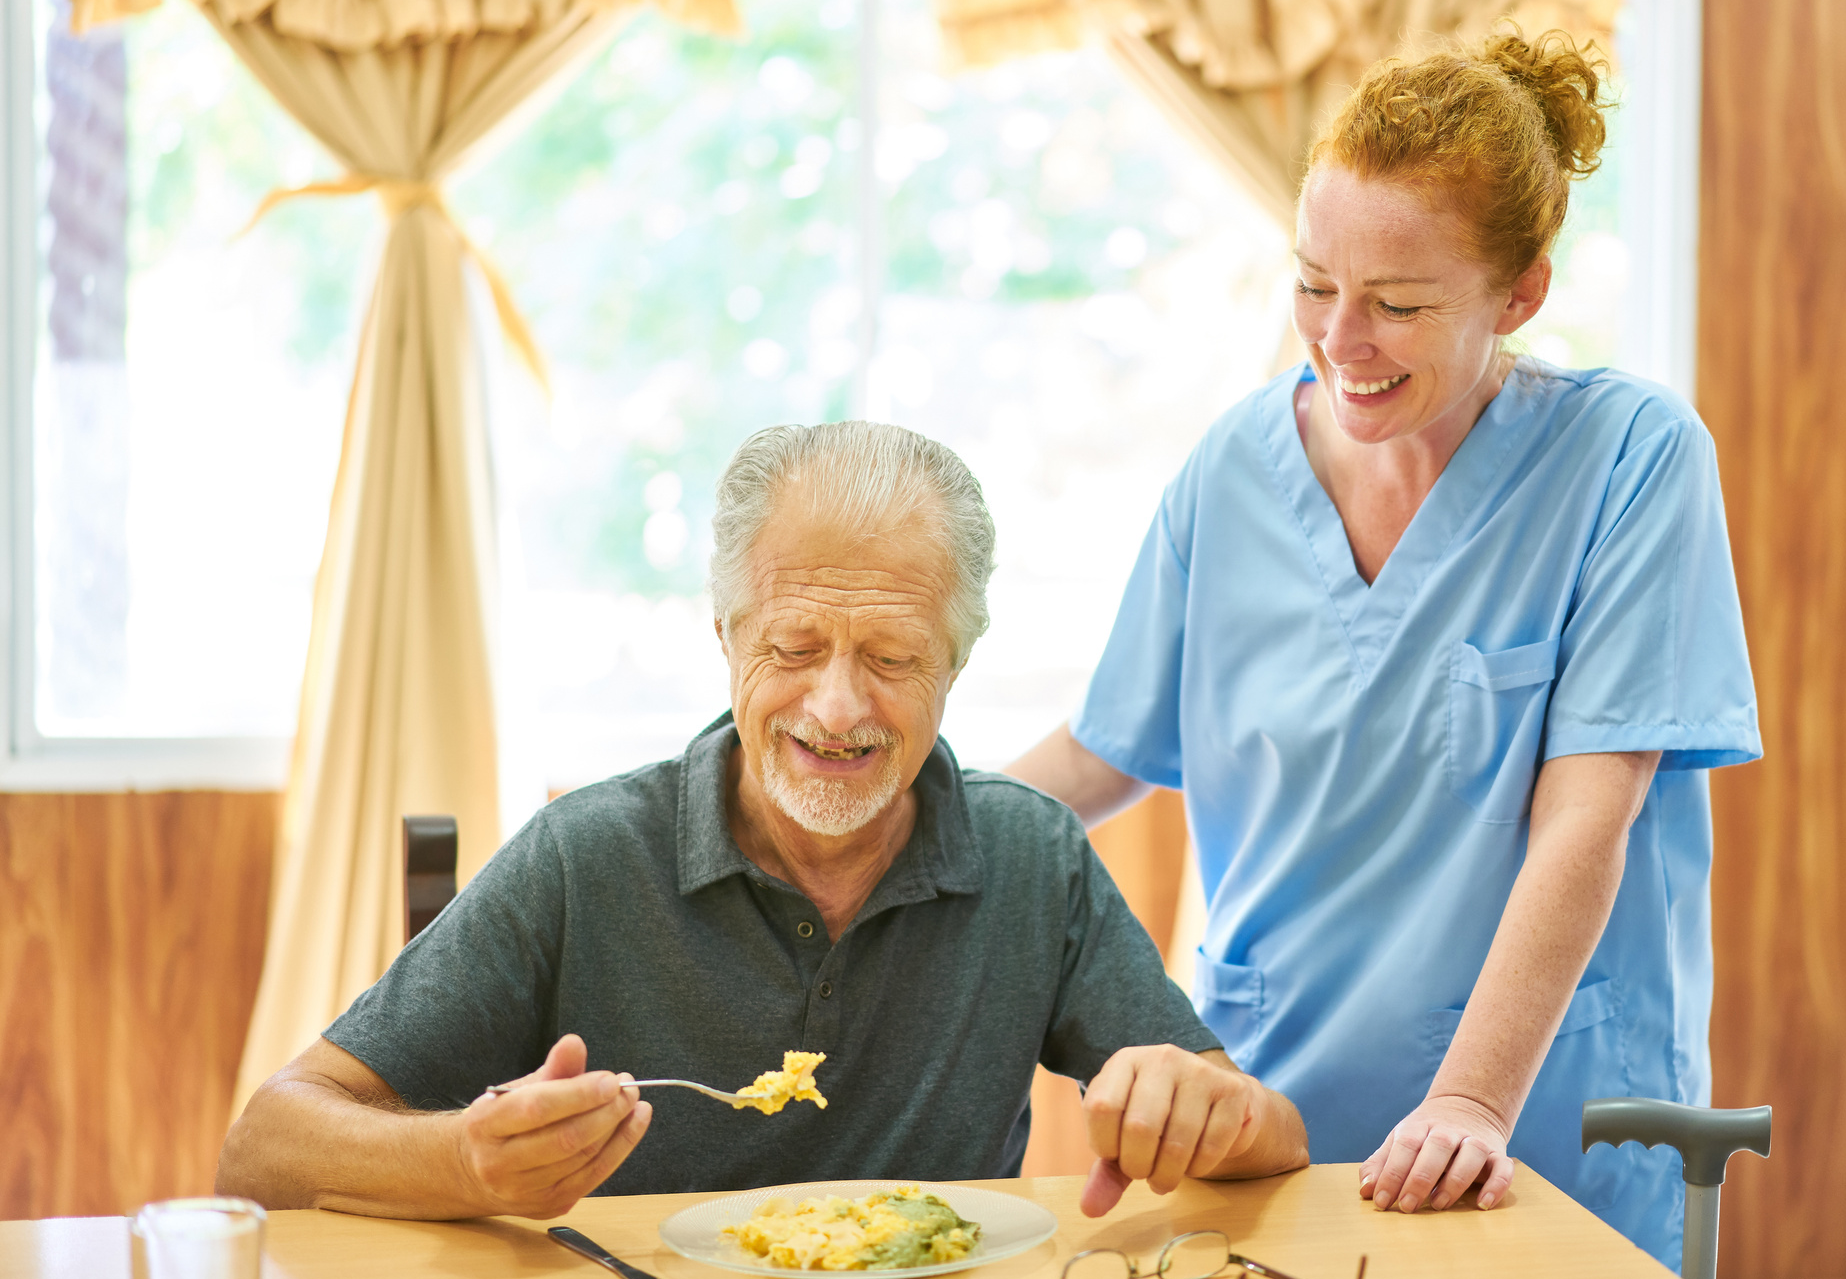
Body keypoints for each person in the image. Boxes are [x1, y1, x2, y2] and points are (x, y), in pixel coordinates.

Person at [1007, 29, 1760, 1268]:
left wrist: (1470, 1102)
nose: (1341, 338)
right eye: (1314, 283)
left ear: (1521, 294)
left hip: (1538, 1121)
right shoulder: (1232, 473)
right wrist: (884, 833)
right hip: (1271, 1113)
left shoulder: (1632, 459)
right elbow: (1102, 753)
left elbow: (1589, 816)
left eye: (1400, 304)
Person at [217, 421, 1306, 1221]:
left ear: (957, 661)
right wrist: (466, 1161)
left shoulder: (1031, 856)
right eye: (792, 648)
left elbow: (1273, 1139)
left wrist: (1213, 1109)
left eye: (891, 657)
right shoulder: (589, 855)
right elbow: (264, 1145)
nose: (837, 709)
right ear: (728, 632)